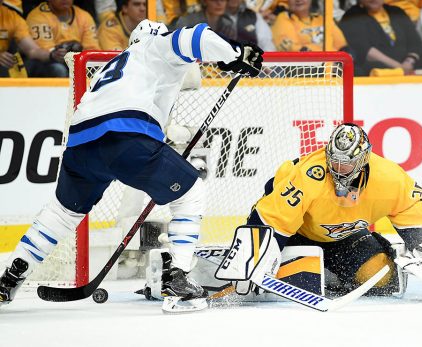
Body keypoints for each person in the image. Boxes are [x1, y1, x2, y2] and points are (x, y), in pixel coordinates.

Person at [0, 19, 263, 310]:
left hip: (80, 142)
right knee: (190, 194)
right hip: (125, 137)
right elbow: (196, 36)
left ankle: (10, 276)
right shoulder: (154, 47)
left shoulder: (116, 64)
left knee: (63, 213)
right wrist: (236, 53)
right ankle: (178, 278)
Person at [216, 123, 422, 301]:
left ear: (363, 158)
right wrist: (256, 256)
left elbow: (414, 206)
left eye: (346, 163)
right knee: (277, 278)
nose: (339, 169)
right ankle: (309, 269)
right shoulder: (310, 175)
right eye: (334, 160)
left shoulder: (389, 177)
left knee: (382, 278)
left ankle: (330, 272)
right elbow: (273, 215)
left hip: (344, 236)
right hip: (297, 234)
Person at [339, 0, 422, 76]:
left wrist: (409, 62)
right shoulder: (351, 16)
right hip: (379, 68)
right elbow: (364, 50)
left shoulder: (397, 12)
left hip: (407, 65)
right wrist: (399, 67)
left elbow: (415, 42)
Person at [25, 0, 100, 77]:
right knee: (58, 69)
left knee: (99, 68)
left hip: (78, 61)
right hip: (49, 62)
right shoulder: (37, 16)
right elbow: (46, 52)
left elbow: (92, 50)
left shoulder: (84, 16)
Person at [271, 0, 348, 52]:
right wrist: (319, 54)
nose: (298, 0)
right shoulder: (284, 18)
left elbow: (341, 45)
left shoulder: (321, 19)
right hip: (304, 69)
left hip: (332, 67)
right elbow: (290, 47)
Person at [0, 0, 51, 77]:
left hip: (4, 63)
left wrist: (53, 55)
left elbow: (32, 50)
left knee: (39, 65)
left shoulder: (12, 17)